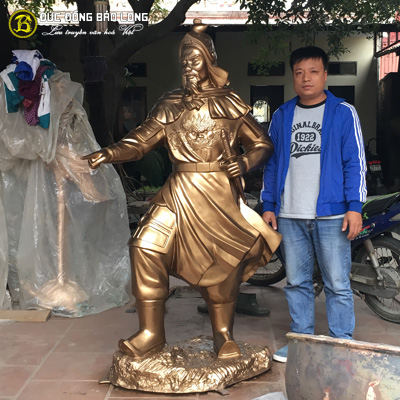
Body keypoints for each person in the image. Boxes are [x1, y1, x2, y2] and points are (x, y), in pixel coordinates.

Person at [83, 20, 281, 359]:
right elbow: (140, 142)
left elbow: (262, 143)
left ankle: (223, 334)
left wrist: (246, 161)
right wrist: (109, 153)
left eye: (195, 59)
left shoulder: (229, 103)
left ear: (209, 60)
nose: (188, 66)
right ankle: (150, 333)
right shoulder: (170, 103)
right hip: (178, 191)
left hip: (218, 194)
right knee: (145, 246)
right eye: (184, 60)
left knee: (225, 261)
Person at [261, 46, 366, 362]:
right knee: (296, 282)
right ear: (293, 77)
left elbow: (355, 162)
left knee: (337, 283)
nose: (306, 78)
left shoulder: (343, 112)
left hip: (332, 214)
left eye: (313, 71)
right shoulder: (282, 115)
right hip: (290, 213)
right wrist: (268, 205)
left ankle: (341, 343)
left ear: (325, 75)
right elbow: (271, 163)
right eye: (299, 72)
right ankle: (302, 341)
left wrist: (355, 207)